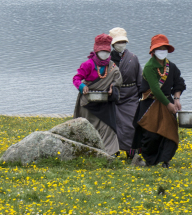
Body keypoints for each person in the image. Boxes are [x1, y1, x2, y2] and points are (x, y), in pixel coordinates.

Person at [133, 34, 185, 167]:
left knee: (169, 132)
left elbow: (179, 82)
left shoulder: (171, 67)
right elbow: (155, 89)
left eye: (164, 48)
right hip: (151, 103)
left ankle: (165, 160)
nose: (162, 51)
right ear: (153, 51)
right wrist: (169, 105)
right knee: (151, 134)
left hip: (168, 101)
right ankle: (150, 160)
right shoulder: (150, 67)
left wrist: (177, 98)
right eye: (159, 48)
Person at [72, 34, 123, 155]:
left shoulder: (113, 68)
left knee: (107, 128)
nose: (104, 53)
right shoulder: (88, 64)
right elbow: (76, 78)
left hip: (105, 103)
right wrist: (82, 86)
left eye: (106, 51)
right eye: (101, 51)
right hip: (88, 103)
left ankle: (109, 153)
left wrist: (113, 89)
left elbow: (117, 83)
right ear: (96, 50)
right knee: (87, 127)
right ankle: (87, 152)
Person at [108, 27, 141, 158]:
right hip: (114, 96)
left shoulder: (133, 58)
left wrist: (141, 95)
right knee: (113, 126)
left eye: (123, 41)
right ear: (112, 44)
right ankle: (112, 152)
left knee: (131, 124)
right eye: (118, 42)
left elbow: (139, 78)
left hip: (131, 96)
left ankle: (131, 153)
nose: (121, 44)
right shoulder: (107, 59)